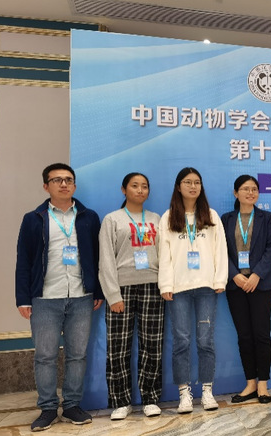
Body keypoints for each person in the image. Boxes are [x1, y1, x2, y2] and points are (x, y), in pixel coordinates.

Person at [15, 163, 103, 432]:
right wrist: (23, 298)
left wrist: (97, 291)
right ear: (46, 186)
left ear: (74, 185)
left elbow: (97, 257)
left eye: (68, 180)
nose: (64, 184)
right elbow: (24, 260)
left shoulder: (88, 217)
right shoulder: (34, 218)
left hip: (81, 296)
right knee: (45, 356)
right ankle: (48, 408)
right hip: (45, 298)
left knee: (77, 355)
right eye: (57, 180)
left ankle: (73, 405)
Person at [158, 167, 228, 414]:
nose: (193, 186)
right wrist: (166, 285)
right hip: (179, 288)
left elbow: (220, 249)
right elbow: (164, 255)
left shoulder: (211, 215)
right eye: (187, 182)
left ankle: (207, 391)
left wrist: (220, 279)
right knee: (181, 341)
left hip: (207, 287)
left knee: (205, 341)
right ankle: (184, 393)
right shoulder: (168, 217)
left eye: (197, 182)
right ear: (178, 187)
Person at [99, 172, 165, 420]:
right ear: (123, 189)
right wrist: (112, 294)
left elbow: (164, 254)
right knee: (118, 347)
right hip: (121, 289)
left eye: (144, 186)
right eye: (134, 186)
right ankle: (120, 401)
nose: (140, 190)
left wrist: (164, 284)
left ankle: (150, 398)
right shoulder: (112, 219)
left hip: (152, 286)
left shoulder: (156, 219)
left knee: (152, 345)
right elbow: (106, 259)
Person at [221, 175, 271, 404]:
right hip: (236, 286)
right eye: (245, 189)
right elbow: (220, 251)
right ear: (236, 193)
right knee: (244, 336)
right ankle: (250, 384)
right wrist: (234, 275)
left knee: (262, 335)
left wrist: (256, 274)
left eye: (254, 189)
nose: (250, 192)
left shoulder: (267, 218)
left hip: (261, 285)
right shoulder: (226, 219)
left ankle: (263, 384)